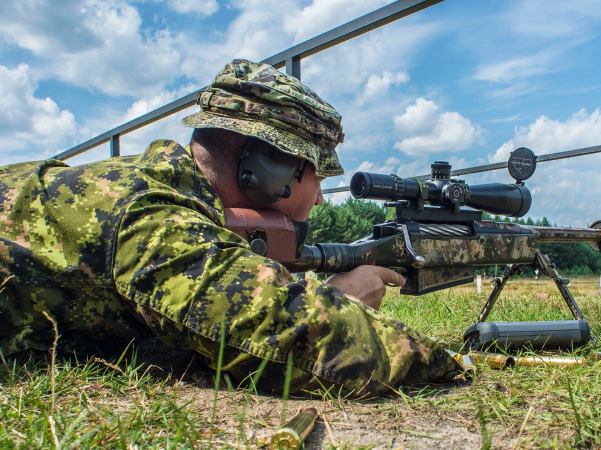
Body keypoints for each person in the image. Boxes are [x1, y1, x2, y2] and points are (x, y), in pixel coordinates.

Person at [0, 59, 462, 396]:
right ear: (272, 166)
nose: (320, 197)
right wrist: (447, 360)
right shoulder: (152, 214)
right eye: (318, 174)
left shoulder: (151, 188)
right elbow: (298, 338)